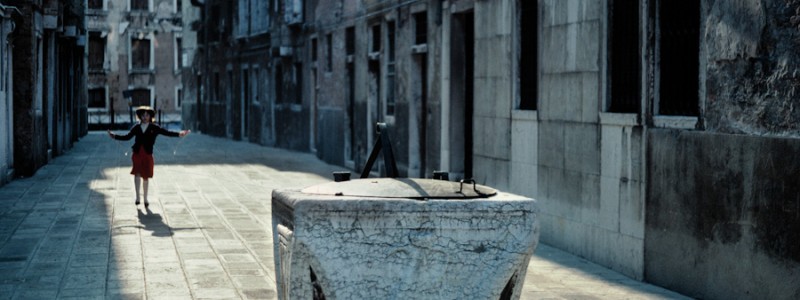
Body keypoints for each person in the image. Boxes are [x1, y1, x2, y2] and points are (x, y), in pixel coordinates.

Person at [108, 106, 190, 208]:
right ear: (140, 116)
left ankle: (145, 198)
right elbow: (127, 137)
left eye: (147, 115)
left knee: (146, 176)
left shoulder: (154, 128)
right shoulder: (136, 127)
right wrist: (115, 136)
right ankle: (138, 197)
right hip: (137, 154)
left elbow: (166, 133)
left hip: (147, 155)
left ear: (150, 116)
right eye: (143, 115)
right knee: (137, 174)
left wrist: (179, 134)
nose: (145, 117)